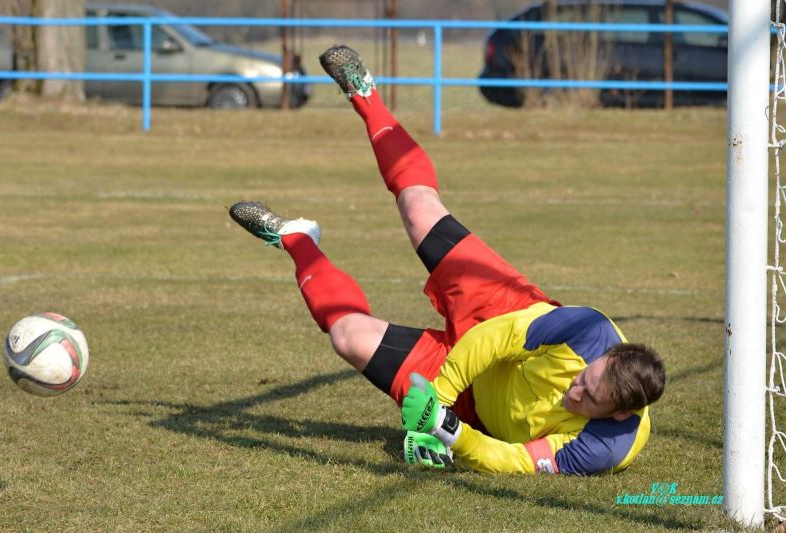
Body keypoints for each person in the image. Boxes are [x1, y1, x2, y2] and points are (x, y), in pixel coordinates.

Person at [229, 45, 666, 475]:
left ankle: (295, 240)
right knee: (420, 208)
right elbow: (496, 338)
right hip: (505, 312)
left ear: (618, 415)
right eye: (585, 378)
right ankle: (366, 96)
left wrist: (447, 428)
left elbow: (516, 460)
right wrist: (436, 397)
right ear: (605, 356)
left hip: (475, 403)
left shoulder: (605, 448)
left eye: (589, 400)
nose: (576, 391)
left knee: (347, 336)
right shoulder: (589, 329)